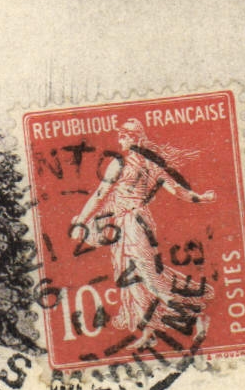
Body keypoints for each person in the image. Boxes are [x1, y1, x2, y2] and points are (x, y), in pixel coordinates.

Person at [70, 118, 215, 349]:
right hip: (125, 225)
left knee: (149, 278)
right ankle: (149, 332)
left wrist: (82, 221)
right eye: (120, 135)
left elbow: (175, 189)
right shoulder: (138, 164)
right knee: (131, 279)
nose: (121, 139)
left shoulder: (127, 165)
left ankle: (197, 316)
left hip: (134, 224)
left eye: (125, 135)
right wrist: (200, 197)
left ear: (137, 138)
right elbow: (102, 194)